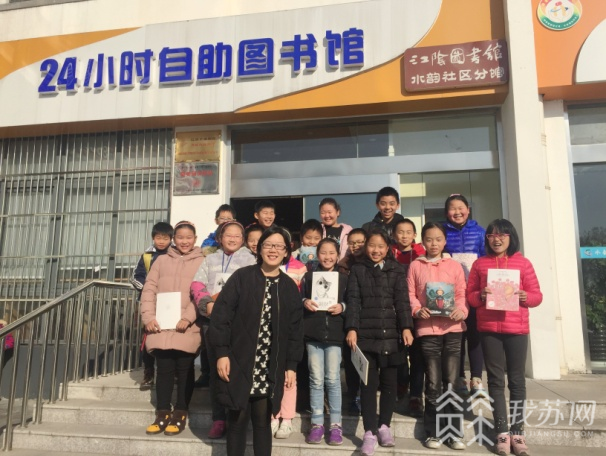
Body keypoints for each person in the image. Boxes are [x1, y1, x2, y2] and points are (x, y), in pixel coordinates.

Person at [208, 226, 304, 456]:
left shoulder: (289, 287)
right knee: (237, 419)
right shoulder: (242, 277)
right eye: (268, 245)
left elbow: (295, 330)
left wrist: (291, 366)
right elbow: (221, 317)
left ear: (286, 251)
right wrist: (221, 353)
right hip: (239, 361)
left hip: (269, 365)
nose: (273, 250)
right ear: (259, 249)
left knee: (262, 421)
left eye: (279, 246)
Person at [467, 219, 542, 456]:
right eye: (491, 236)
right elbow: (470, 297)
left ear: (511, 237)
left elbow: (537, 296)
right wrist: (481, 295)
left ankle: (517, 432)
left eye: (501, 235)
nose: (496, 239)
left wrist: (525, 297)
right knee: (496, 381)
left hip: (517, 329)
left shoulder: (523, 263)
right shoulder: (480, 264)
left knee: (517, 381)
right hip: (489, 329)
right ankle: (501, 431)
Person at [345, 229, 414, 456]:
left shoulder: (396, 270)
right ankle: (369, 432)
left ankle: (384, 426)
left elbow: (402, 302)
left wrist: (406, 327)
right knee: (368, 385)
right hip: (366, 336)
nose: (376, 250)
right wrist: (352, 328)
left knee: (389, 384)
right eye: (372, 245)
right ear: (366, 247)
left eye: (381, 246)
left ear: (388, 249)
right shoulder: (358, 270)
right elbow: (353, 301)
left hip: (391, 335)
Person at [191, 221, 256, 439]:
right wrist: (207, 304)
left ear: (243, 239)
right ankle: (218, 418)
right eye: (229, 235)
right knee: (215, 372)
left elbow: (252, 290)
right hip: (213, 321)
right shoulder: (209, 259)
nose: (233, 239)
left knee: (238, 370)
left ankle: (236, 417)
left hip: (239, 324)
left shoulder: (251, 260)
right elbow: (197, 284)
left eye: (238, 236)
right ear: (220, 238)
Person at [407, 222, 468, 450]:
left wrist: (462, 311)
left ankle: (453, 432)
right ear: (423, 241)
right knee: (432, 383)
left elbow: (461, 293)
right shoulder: (415, 265)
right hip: (427, 329)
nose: (434, 243)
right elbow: (410, 294)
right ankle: (433, 432)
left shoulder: (454, 265)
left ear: (445, 241)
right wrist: (416, 310)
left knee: (451, 381)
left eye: (438, 239)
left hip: (452, 329)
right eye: (429, 239)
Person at [140, 221, 204, 436]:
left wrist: (188, 317)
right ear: (174, 239)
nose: (184, 241)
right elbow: (149, 289)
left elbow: (202, 293)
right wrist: (148, 317)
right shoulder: (161, 260)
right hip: (162, 325)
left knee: (185, 369)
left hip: (187, 326)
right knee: (164, 368)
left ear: (195, 239)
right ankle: (162, 412)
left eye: (188, 237)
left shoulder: (203, 261)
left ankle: (180, 412)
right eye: (180, 237)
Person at [301, 238, 348, 445]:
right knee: (316, 379)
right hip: (313, 335)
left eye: (331, 253)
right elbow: (299, 298)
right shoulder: (308, 277)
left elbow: (353, 301)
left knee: (333, 379)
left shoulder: (344, 278)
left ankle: (336, 425)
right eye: (323, 252)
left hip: (335, 336)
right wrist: (305, 302)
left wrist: (342, 307)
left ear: (338, 255)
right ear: (317, 255)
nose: (327, 257)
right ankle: (317, 423)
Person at [442, 194, 487, 397]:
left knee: (475, 337)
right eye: (453, 208)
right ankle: (459, 377)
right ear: (447, 212)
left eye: (461, 208)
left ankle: (476, 378)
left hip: (475, 292)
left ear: (468, 210)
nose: (457, 212)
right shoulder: (442, 232)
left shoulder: (480, 232)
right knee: (456, 336)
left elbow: (485, 260)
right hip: (452, 294)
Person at [129, 221, 174, 388]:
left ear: (171, 239)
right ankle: (148, 373)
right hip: (149, 304)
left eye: (165, 238)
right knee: (147, 338)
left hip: (170, 302)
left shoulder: (176, 254)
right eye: (158, 238)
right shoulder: (147, 256)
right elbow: (135, 277)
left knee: (171, 337)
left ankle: (173, 373)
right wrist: (149, 290)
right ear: (153, 238)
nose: (161, 241)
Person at [391, 218, 426, 414]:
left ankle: (416, 395)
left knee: (417, 353)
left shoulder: (421, 254)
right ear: (394, 235)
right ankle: (401, 384)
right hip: (396, 308)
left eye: (408, 232)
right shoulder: (389, 253)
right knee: (399, 351)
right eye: (400, 232)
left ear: (414, 235)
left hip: (417, 309)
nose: (404, 236)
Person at [337, 228, 367, 415]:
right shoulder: (342, 266)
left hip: (369, 318)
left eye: (360, 242)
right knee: (350, 362)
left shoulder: (372, 263)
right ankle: (353, 397)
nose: (356, 246)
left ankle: (366, 397)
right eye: (352, 243)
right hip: (347, 318)